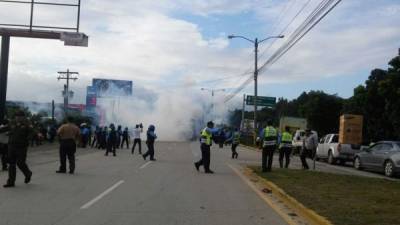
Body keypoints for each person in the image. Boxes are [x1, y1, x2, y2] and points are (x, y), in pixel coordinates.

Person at [3, 111, 33, 188]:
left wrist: (28, 138)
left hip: (21, 147)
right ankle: (11, 182)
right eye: (17, 116)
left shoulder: (27, 124)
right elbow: (5, 128)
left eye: (20, 116)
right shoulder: (12, 123)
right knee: (11, 165)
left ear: (23, 117)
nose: (18, 117)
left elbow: (32, 132)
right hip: (11, 146)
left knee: (20, 163)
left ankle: (28, 173)